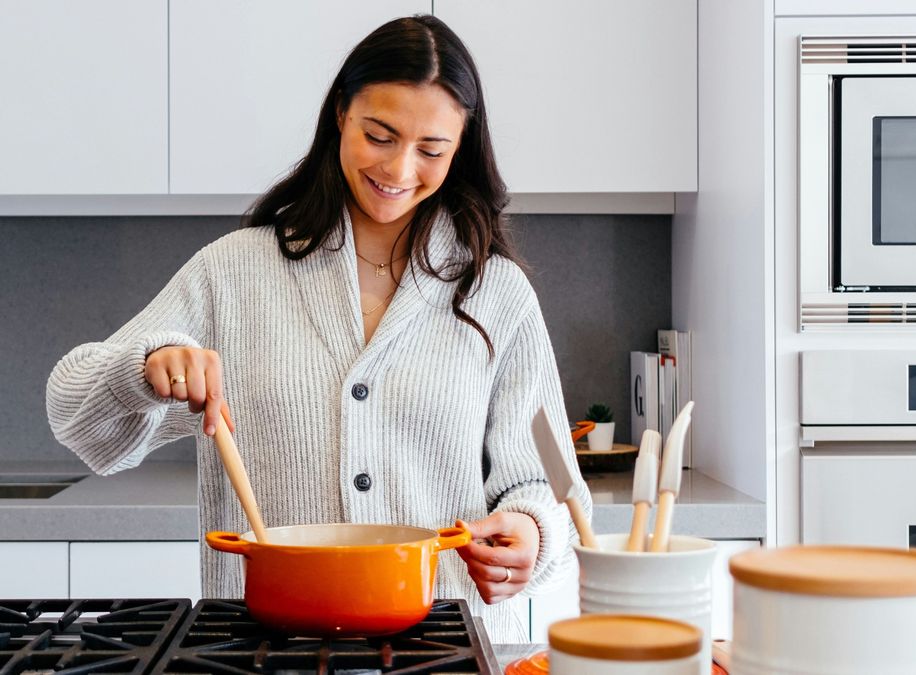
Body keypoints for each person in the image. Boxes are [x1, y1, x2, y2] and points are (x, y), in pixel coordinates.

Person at [45, 15, 590, 643]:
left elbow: (546, 483)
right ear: (340, 114)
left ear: (461, 147)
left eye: (431, 149)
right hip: (258, 647)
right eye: (379, 135)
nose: (400, 168)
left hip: (439, 644)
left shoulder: (496, 292)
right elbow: (75, 417)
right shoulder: (236, 272)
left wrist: (529, 532)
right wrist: (144, 369)